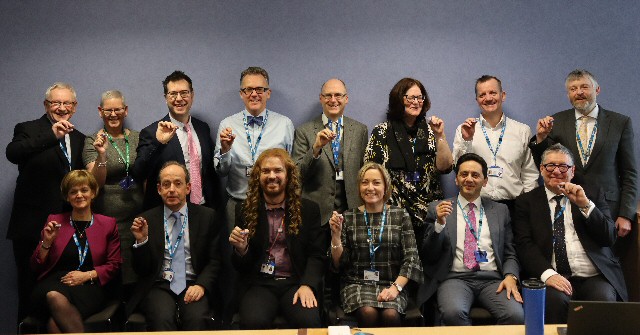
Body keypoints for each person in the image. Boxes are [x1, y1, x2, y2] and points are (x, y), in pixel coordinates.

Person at [513, 144, 627, 324]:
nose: (556, 171)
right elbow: (524, 246)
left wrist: (585, 205)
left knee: (603, 300)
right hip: (554, 276)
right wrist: (548, 274)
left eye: (563, 166)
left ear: (572, 171)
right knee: (552, 301)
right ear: (542, 169)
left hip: (593, 276)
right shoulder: (526, 202)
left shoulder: (591, 194)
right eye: (550, 165)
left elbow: (609, 237)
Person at [6, 82, 86, 321]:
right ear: (46, 105)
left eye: (67, 103)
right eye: (56, 103)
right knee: (29, 294)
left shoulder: (80, 138)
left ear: (74, 106)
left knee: (60, 293)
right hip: (32, 228)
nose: (62, 108)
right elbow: (13, 153)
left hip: (68, 230)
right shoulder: (28, 129)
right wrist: (51, 136)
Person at [417, 153, 523, 326]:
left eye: (475, 175)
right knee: (453, 313)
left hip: (493, 280)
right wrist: (439, 224)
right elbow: (429, 254)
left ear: (485, 181)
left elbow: (510, 252)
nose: (469, 179)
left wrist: (511, 276)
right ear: (456, 180)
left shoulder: (500, 210)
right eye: (464, 174)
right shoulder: (438, 208)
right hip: (455, 278)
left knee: (515, 315)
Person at [530, 69, 637, 238]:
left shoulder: (620, 123)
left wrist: (626, 214)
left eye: (584, 87)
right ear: (568, 95)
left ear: (597, 90)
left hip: (609, 209)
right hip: (568, 203)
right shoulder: (556, 122)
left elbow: (630, 172)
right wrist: (541, 138)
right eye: (573, 89)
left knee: (608, 261)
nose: (579, 92)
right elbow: (544, 165)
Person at [228, 148, 325, 329]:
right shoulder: (244, 210)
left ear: (288, 176)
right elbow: (241, 267)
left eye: (278, 170)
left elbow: (317, 255)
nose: (272, 176)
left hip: (296, 283)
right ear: (258, 176)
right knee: (252, 322)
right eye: (266, 171)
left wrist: (308, 285)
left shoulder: (308, 209)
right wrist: (241, 250)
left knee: (308, 321)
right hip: (260, 284)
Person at [127, 161, 222, 331]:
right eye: (166, 184)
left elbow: (215, 260)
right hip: (159, 284)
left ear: (188, 188)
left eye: (178, 183)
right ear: (159, 189)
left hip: (193, 283)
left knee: (197, 319)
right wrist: (142, 241)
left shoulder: (207, 217)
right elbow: (141, 270)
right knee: (161, 319)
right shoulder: (145, 219)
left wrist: (201, 285)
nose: (171, 189)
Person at [329, 162, 423, 327]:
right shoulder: (349, 217)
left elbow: (412, 259)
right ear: (359, 187)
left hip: (392, 283)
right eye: (365, 182)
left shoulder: (400, 215)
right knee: (368, 312)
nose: (370, 187)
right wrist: (336, 237)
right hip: (357, 283)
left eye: (376, 182)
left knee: (390, 314)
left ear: (386, 187)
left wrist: (395, 289)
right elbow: (339, 264)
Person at [364, 77, 453, 246]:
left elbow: (445, 167)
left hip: (429, 213)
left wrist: (440, 136)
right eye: (410, 97)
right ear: (399, 99)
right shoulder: (382, 131)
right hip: (394, 215)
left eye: (420, 97)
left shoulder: (431, 129)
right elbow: (370, 171)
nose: (416, 102)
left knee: (429, 262)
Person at [30, 170, 121, 333]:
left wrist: (86, 275)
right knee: (53, 296)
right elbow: (35, 266)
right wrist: (47, 242)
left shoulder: (108, 224)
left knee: (55, 323)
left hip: (90, 285)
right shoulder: (54, 220)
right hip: (55, 283)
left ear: (93, 192)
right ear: (67, 197)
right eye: (73, 191)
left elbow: (114, 265)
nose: (79, 195)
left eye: (84, 190)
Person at [215, 66, 294, 231]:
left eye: (259, 89)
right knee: (238, 253)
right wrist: (225, 151)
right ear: (241, 94)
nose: (254, 94)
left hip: (275, 205)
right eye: (248, 89)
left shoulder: (284, 124)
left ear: (268, 93)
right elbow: (220, 172)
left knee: (276, 252)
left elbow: (292, 170)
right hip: (238, 203)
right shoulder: (227, 124)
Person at [133, 70, 220, 211]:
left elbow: (210, 172)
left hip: (204, 210)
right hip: (168, 211)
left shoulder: (203, 128)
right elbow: (139, 173)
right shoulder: (151, 132)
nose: (179, 99)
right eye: (173, 94)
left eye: (184, 93)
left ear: (192, 95)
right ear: (165, 98)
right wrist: (158, 142)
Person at [452, 75, 538, 216]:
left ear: (502, 95)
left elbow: (530, 174)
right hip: (477, 206)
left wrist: (530, 208)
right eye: (482, 95)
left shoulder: (522, 131)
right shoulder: (464, 130)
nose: (488, 98)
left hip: (515, 207)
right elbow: (458, 168)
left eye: (493, 93)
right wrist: (467, 140)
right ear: (477, 100)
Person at [83, 90, 143, 286]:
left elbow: (145, 174)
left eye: (118, 109)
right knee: (113, 274)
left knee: (137, 272)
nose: (113, 114)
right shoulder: (93, 140)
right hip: (108, 219)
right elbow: (95, 182)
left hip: (137, 216)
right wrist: (102, 155)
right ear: (100, 112)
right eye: (108, 110)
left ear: (126, 111)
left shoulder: (138, 137)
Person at [293, 78, 368, 226]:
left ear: (346, 99)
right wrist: (315, 149)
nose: (333, 100)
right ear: (321, 98)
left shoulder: (360, 130)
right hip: (316, 214)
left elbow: (365, 170)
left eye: (338, 95)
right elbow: (297, 174)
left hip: (352, 211)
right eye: (328, 95)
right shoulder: (304, 131)